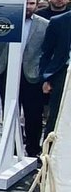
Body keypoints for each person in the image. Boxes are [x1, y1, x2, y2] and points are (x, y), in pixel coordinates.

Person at [0, 0, 48, 156]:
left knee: (33, 114)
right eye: (25, 3)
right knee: (9, 113)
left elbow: (48, 51)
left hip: (32, 75)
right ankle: (10, 149)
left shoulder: (45, 25)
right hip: (6, 72)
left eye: (31, 3)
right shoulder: (5, 21)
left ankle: (33, 149)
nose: (28, 7)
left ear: (36, 4)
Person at [40, 7, 71, 139]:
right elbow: (46, 52)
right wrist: (46, 78)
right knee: (56, 114)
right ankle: (49, 153)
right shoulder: (59, 21)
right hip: (63, 73)